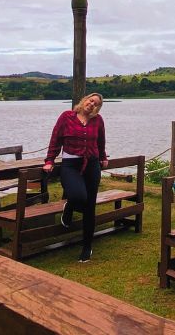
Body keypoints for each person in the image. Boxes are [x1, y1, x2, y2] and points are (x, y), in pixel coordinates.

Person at [43, 92, 108, 262]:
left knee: (90, 207)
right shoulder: (66, 117)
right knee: (78, 196)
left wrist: (103, 157)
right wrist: (49, 160)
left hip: (92, 165)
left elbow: (100, 141)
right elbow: (55, 139)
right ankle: (69, 207)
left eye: (96, 104)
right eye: (90, 100)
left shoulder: (98, 120)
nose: (92, 104)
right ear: (84, 100)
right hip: (71, 165)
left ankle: (87, 247)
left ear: (98, 108)